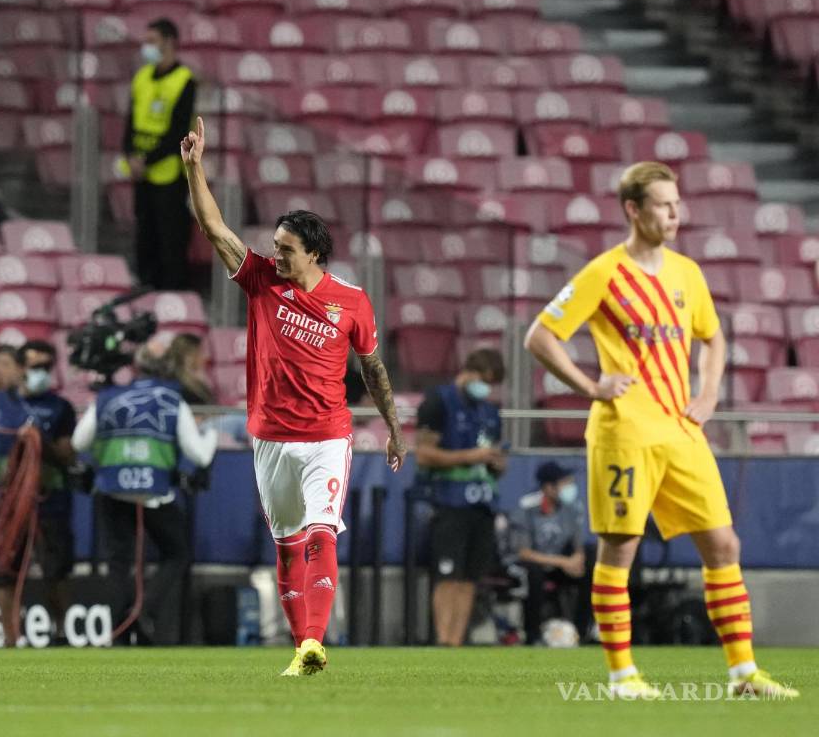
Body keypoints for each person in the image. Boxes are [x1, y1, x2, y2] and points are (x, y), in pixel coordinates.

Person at [524, 160, 798, 699]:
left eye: (678, 203)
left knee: (723, 543)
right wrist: (590, 385)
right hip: (624, 432)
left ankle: (744, 674)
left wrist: (710, 392)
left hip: (681, 429)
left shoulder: (686, 273)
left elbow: (713, 339)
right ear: (634, 209)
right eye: (664, 204)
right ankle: (623, 676)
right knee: (620, 549)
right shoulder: (603, 272)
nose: (676, 213)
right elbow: (541, 335)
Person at [181, 116, 406, 674]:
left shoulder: (351, 301)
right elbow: (214, 228)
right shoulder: (260, 280)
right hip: (269, 438)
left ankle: (313, 641)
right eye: (275, 246)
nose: (275, 254)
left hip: (328, 435)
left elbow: (373, 369)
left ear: (314, 254)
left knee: (321, 530)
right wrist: (194, 168)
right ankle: (299, 643)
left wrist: (395, 428)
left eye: (286, 249)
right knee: (285, 545)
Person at [72, 340, 217, 646]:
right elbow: (200, 455)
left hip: (112, 490)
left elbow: (78, 442)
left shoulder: (107, 397)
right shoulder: (171, 399)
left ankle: (120, 631)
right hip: (154, 491)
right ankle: (145, 611)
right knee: (176, 553)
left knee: (118, 563)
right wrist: (212, 434)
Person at [0, 340, 78, 647]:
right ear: (21, 368)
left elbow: (67, 455)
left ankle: (61, 631)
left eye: (48, 367)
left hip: (50, 500)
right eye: (37, 367)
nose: (43, 373)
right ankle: (11, 641)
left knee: (55, 572)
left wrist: (41, 441)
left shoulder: (60, 408)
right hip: (9, 504)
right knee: (6, 572)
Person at [413, 348, 507, 648]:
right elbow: (424, 454)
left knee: (469, 578)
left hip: (482, 503)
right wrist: (471, 456)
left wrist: (496, 464)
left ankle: (457, 640)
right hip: (449, 502)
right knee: (447, 575)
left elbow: (496, 460)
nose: (485, 389)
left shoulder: (490, 412)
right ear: (467, 371)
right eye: (483, 380)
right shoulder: (438, 402)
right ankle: (443, 640)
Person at [123, 18, 196, 291]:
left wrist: (146, 160)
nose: (147, 47)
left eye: (152, 41)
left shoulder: (184, 81)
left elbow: (178, 128)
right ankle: (145, 287)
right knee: (145, 235)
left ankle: (173, 295)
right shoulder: (141, 77)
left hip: (168, 173)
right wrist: (130, 154)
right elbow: (130, 122)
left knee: (171, 239)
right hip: (141, 173)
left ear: (169, 42)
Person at [509, 461, 588, 646]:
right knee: (534, 574)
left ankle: (581, 631)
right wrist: (563, 562)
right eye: (565, 483)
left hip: (560, 566)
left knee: (590, 569)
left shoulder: (570, 511)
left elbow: (578, 547)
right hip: (532, 565)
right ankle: (532, 635)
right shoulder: (527, 509)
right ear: (548, 487)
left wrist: (578, 559)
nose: (570, 487)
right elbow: (524, 553)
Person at [164, 332, 213, 405]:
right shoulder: (177, 387)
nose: (205, 357)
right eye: (200, 352)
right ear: (190, 355)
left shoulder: (197, 384)